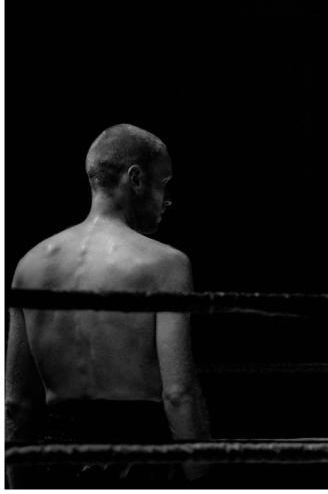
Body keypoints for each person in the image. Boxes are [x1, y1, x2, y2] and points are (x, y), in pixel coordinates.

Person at [5, 123, 211, 488]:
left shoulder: (29, 265)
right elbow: (178, 393)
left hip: (57, 464)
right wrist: (203, 482)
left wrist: (16, 483)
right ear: (136, 179)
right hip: (137, 461)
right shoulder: (166, 264)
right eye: (164, 183)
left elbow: (17, 404)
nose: (167, 199)